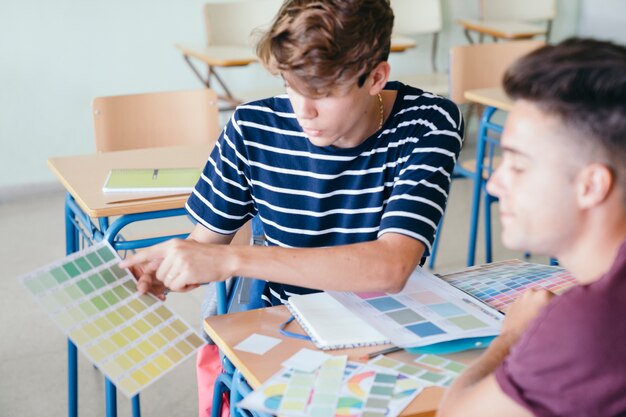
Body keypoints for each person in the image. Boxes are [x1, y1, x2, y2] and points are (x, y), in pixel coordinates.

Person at [120, 0, 463, 415]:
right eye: (290, 86)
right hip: (286, 328)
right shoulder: (253, 127)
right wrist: (172, 266)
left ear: (375, 77)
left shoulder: (428, 122)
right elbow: (206, 244)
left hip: (387, 331)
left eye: (322, 92)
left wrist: (230, 260)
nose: (304, 111)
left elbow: (389, 268)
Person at [437, 38, 626, 417]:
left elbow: (456, 414)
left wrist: (513, 334)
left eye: (519, 166)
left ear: (590, 185)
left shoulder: (589, 322)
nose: (493, 184)